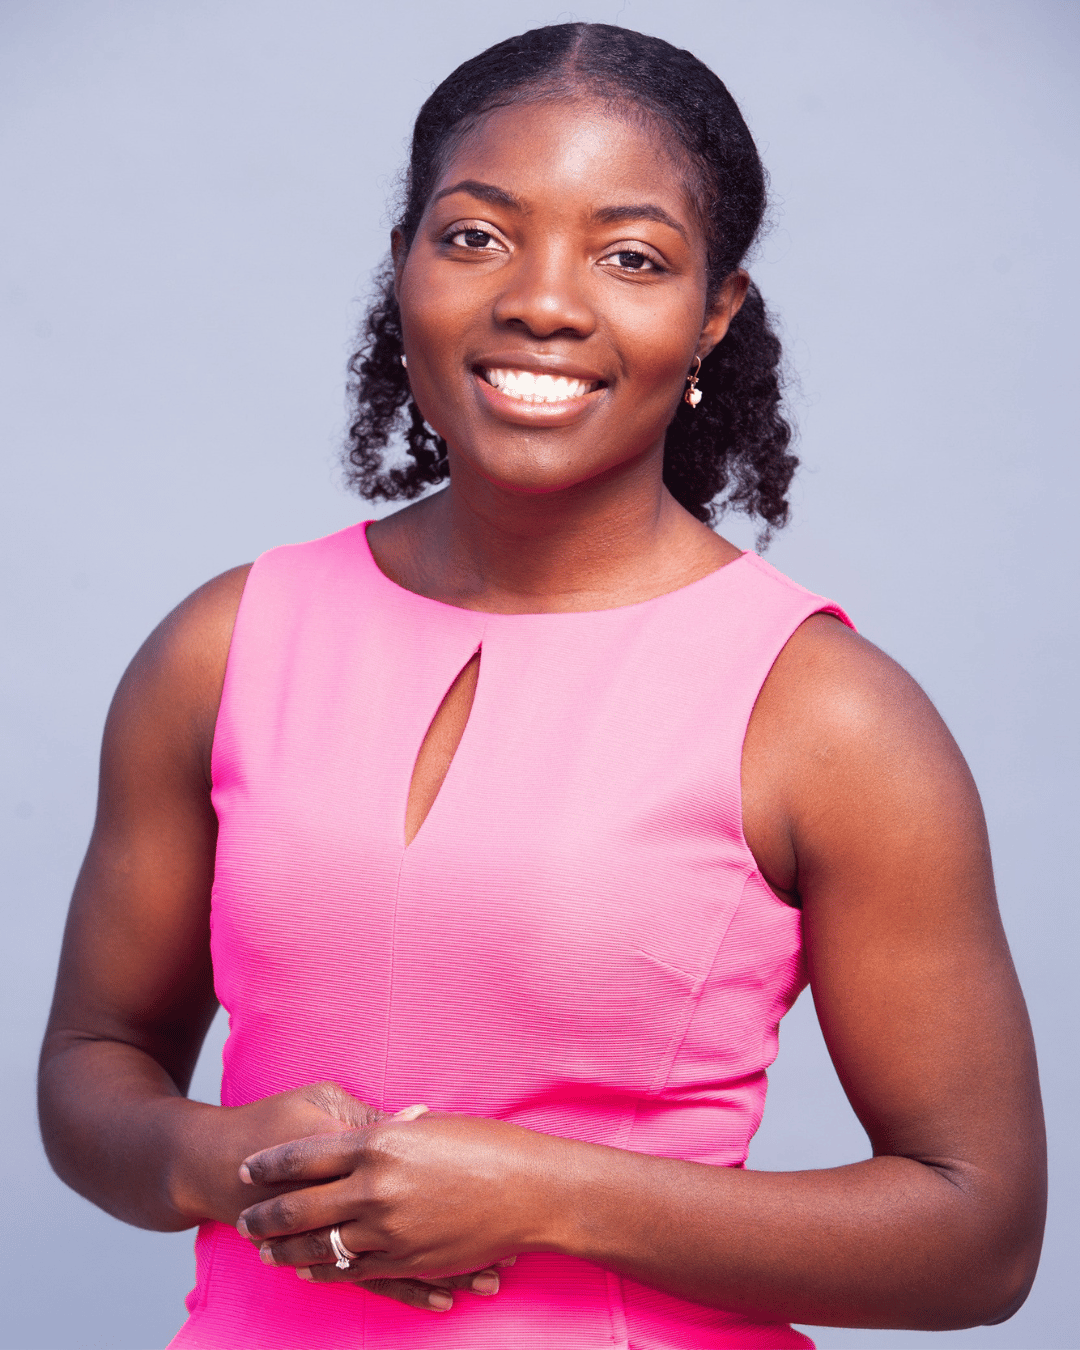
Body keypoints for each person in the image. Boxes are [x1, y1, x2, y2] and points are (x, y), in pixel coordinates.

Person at [38, 22, 1045, 1350]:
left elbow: (979, 1234)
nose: (543, 301)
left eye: (631, 256)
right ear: (403, 265)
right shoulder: (223, 644)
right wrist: (219, 1160)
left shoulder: (826, 713)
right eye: (475, 235)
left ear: (714, 314)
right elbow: (92, 1065)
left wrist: (539, 1192)